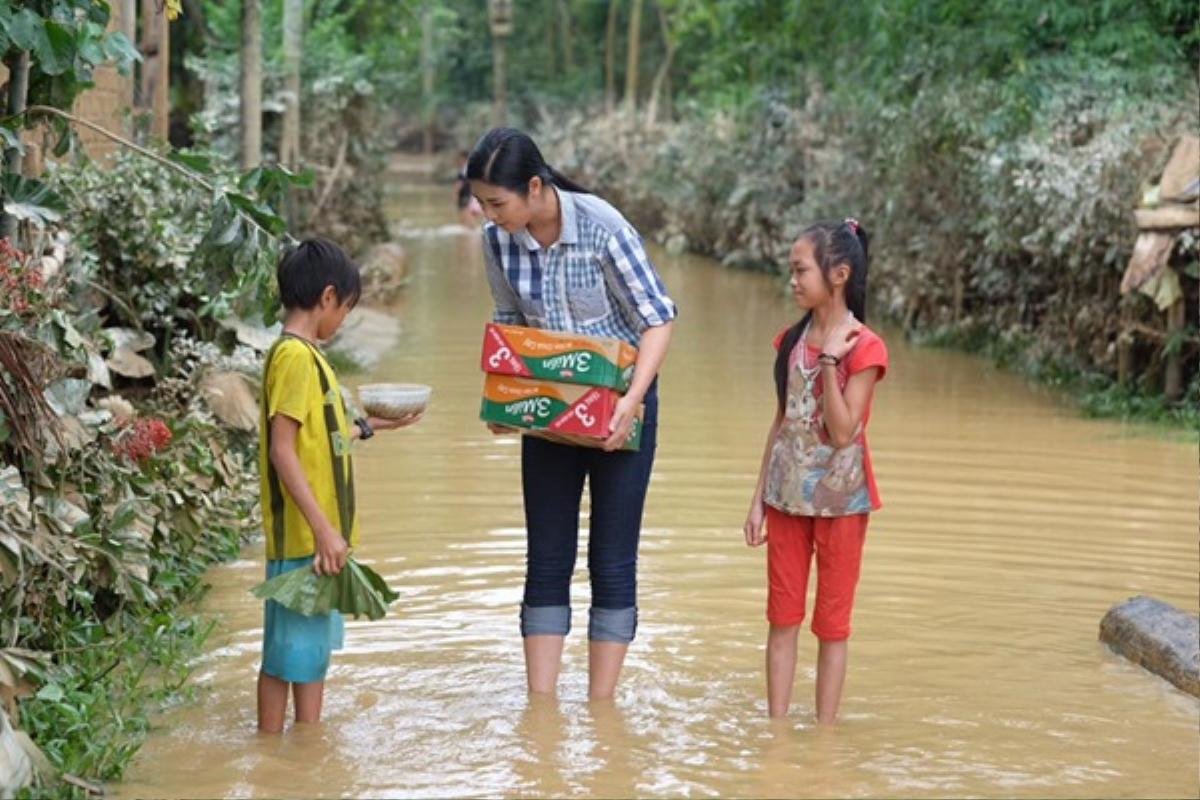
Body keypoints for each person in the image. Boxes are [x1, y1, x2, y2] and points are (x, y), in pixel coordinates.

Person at [467, 127, 678, 699]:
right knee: (547, 557)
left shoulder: (603, 228)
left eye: (497, 202)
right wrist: (505, 398)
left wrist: (630, 404)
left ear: (534, 188)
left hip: (621, 406)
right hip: (549, 406)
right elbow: (510, 317)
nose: (488, 215)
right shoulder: (497, 240)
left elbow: (658, 318)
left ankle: (601, 709)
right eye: (483, 203)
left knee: (612, 559)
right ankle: (541, 710)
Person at [256, 238, 422, 733]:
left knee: (305, 655)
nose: (344, 320)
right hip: (307, 539)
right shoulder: (294, 359)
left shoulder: (307, 357)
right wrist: (325, 531)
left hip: (318, 538)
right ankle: (281, 750)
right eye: (347, 308)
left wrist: (373, 427)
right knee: (290, 656)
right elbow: (282, 448)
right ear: (328, 297)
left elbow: (320, 440)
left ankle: (302, 752)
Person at [743, 219, 888, 722]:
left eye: (801, 270)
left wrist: (829, 362)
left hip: (841, 506)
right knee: (781, 619)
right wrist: (758, 498)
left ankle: (825, 739)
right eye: (792, 271)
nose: (793, 280)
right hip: (785, 502)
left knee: (832, 626)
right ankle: (777, 734)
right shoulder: (788, 341)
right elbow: (782, 421)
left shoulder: (865, 348)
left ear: (839, 274)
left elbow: (845, 432)